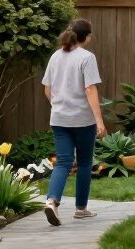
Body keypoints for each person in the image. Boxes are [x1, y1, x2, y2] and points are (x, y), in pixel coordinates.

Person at [41, 18, 106, 226]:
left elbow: (47, 89)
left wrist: (59, 107)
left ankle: (52, 202)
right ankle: (81, 209)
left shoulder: (55, 56)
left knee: (63, 162)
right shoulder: (87, 57)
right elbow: (90, 89)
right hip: (82, 120)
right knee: (85, 162)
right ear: (86, 37)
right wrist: (99, 121)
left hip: (59, 119)